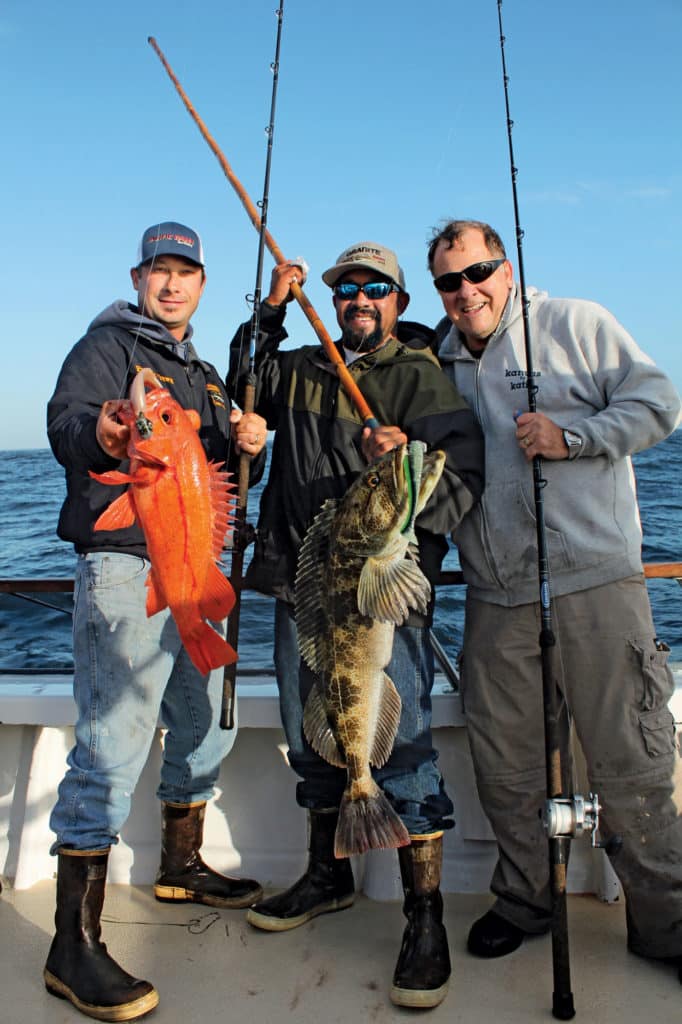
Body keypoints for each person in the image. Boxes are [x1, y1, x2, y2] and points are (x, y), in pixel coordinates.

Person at [227, 240, 484, 1009]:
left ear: (400, 303)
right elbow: (242, 380)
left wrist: (406, 457)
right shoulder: (302, 367)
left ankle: (425, 918)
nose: (358, 300)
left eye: (376, 289)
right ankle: (326, 875)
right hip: (298, 587)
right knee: (317, 739)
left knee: (399, 749)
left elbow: (462, 484)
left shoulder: (420, 379)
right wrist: (272, 308)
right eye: (346, 290)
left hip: (381, 595)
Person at [428, 218, 682, 981]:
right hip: (493, 594)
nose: (467, 291)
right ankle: (526, 898)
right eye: (450, 281)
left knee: (631, 757)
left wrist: (573, 437)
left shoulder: (576, 323)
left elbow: (659, 405)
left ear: (506, 268)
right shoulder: (434, 365)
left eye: (480, 272)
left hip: (597, 582)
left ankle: (666, 918)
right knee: (506, 763)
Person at [46, 221, 268, 1021]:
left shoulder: (202, 375)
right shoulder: (105, 347)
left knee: (205, 721)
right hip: (125, 564)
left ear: (201, 284)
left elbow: (219, 478)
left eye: (186, 273)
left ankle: (181, 864)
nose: (172, 285)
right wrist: (105, 431)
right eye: (159, 271)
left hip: (190, 568)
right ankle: (72, 945)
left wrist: (251, 440)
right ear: (138, 276)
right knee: (112, 738)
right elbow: (67, 423)